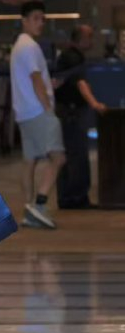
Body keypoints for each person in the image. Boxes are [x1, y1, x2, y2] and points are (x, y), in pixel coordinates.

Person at [10, 1, 66, 229]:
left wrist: (48, 85)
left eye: (42, 19)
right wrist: (48, 109)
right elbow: (35, 79)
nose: (40, 23)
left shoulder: (19, 46)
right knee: (58, 158)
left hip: (24, 112)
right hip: (38, 111)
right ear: (24, 21)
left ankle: (28, 209)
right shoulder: (30, 46)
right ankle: (40, 206)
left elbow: (33, 79)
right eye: (35, 18)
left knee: (30, 161)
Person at [55, 25, 107, 208]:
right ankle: (75, 198)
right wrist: (94, 103)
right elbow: (80, 83)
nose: (92, 41)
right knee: (76, 155)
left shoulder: (70, 55)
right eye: (90, 37)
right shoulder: (73, 57)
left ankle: (69, 197)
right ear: (81, 39)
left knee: (71, 154)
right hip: (71, 113)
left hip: (67, 112)